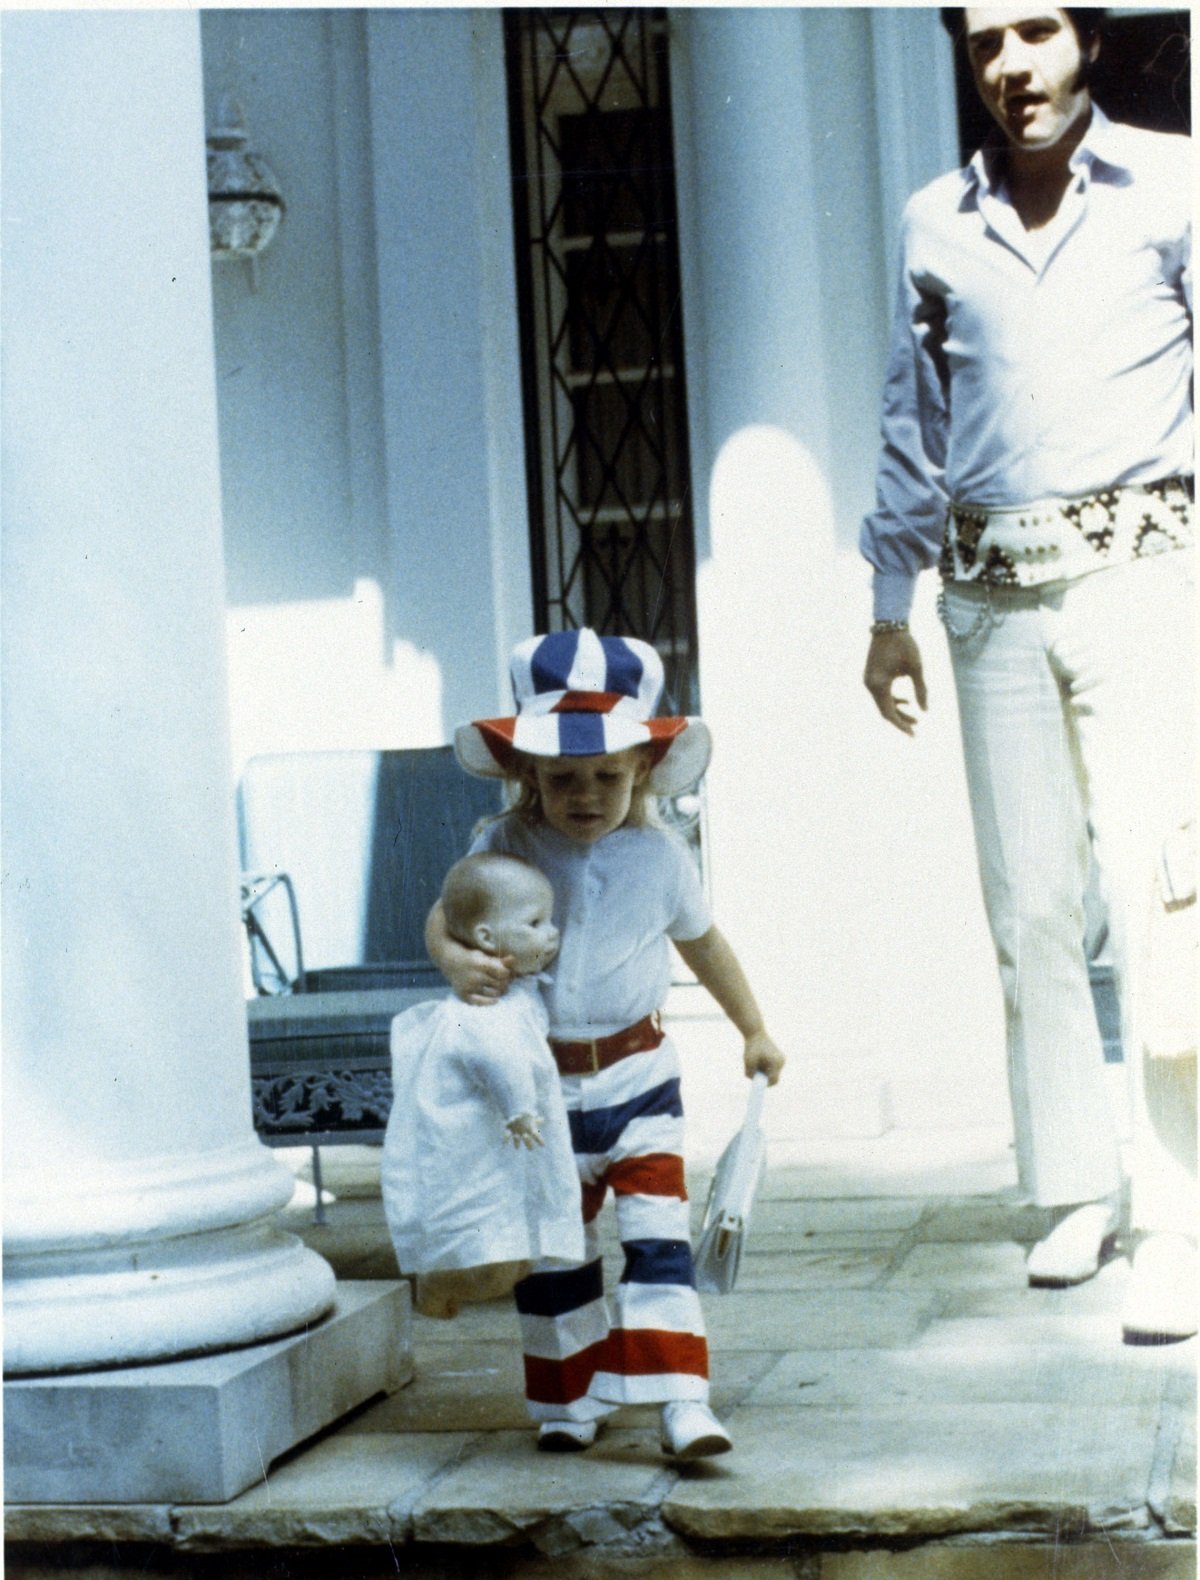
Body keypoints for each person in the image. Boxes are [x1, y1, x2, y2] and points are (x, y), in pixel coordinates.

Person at [861, 6, 1194, 1342]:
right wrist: (890, 603)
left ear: (1089, 43)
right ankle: (1074, 1187)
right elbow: (912, 412)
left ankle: (1179, 1212)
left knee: (1162, 891)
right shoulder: (934, 217)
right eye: (986, 40)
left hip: (1147, 581)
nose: (1013, 66)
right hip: (990, 598)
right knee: (1033, 910)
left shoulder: (1175, 180)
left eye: (1038, 30)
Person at [427, 626, 786, 1457]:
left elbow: (703, 942)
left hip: (638, 1077)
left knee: (658, 1237)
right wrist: (454, 957)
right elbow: (446, 916)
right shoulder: (504, 844)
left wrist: (754, 1026)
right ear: (527, 773)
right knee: (556, 1247)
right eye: (563, 778)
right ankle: (570, 1397)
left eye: (607, 776)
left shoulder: (660, 856)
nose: (585, 794)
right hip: (539, 1085)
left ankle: (681, 1398)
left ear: (643, 772)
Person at [381, 852, 583, 1320]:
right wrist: (519, 1109)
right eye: (536, 923)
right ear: (488, 938)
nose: (552, 933)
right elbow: (500, 1058)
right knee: (498, 1261)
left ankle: (442, 1281)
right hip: (494, 1136)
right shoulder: (485, 1006)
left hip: (504, 1143)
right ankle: (437, 1286)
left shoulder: (515, 990)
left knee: (517, 1250)